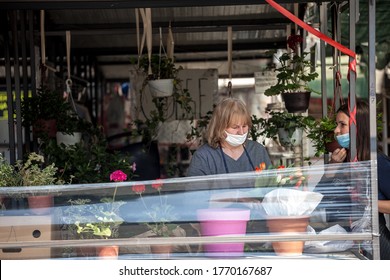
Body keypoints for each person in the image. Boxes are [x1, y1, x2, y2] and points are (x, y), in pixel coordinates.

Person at [316, 99, 390, 259]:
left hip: (374, 248)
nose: (336, 130)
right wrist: (331, 169)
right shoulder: (342, 160)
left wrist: (369, 203)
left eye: (342, 125)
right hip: (343, 246)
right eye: (337, 124)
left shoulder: (379, 163)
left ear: (358, 128)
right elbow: (318, 200)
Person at [187, 97, 272, 176]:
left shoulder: (258, 151)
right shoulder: (204, 156)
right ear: (220, 127)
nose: (241, 132)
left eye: (244, 126)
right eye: (235, 127)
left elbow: (271, 186)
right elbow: (194, 191)